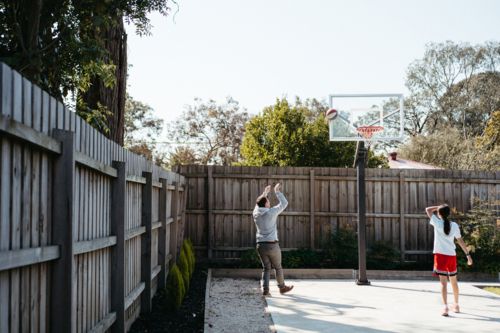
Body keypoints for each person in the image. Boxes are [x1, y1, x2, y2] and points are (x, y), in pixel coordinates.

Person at [425, 204, 473, 316]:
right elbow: (460, 241)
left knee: (443, 283)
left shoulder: (437, 222)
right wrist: (468, 255)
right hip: (451, 255)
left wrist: (438, 207)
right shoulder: (454, 225)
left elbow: (427, 209)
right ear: (449, 213)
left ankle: (445, 307)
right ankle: (456, 305)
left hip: (440, 256)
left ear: (439, 213)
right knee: (454, 282)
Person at [253, 183, 294, 296]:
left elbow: (258, 205)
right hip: (272, 245)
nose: (269, 202)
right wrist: (277, 192)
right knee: (277, 267)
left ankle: (266, 291)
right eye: (268, 200)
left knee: (266, 268)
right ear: (266, 203)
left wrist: (265, 193)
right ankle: (282, 288)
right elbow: (284, 203)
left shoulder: (255, 214)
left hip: (260, 245)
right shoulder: (271, 212)